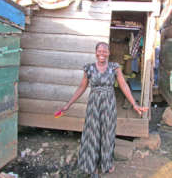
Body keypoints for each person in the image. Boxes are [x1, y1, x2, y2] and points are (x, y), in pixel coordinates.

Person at [58, 42, 148, 178]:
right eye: (99, 51)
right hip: (94, 105)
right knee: (92, 134)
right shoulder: (89, 68)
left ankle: (106, 163)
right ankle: (92, 166)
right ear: (95, 53)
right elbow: (82, 87)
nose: (102, 53)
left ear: (109, 53)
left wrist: (134, 104)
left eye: (105, 51)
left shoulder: (114, 67)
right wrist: (68, 105)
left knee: (108, 133)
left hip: (109, 104)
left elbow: (123, 85)